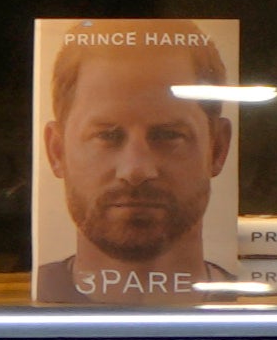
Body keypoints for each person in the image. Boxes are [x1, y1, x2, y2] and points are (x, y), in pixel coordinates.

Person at [32, 27, 232, 303]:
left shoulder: (264, 308)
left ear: (218, 148)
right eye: (107, 136)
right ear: (56, 151)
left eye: (168, 135)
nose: (136, 170)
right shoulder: (21, 298)